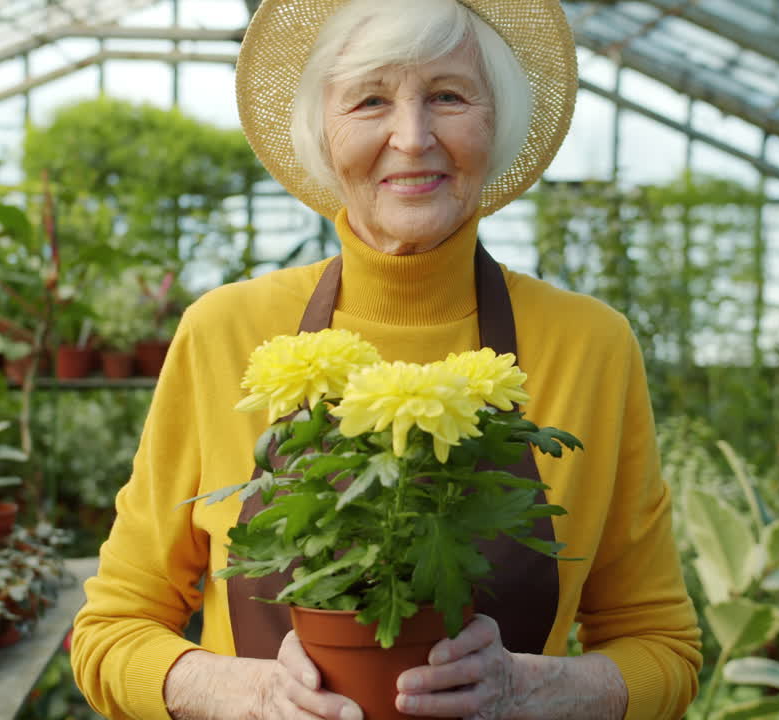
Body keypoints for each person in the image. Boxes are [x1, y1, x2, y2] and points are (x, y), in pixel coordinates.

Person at [70, 0, 702, 718]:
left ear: (496, 122)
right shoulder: (225, 332)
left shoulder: (590, 345)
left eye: (448, 96)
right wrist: (248, 695)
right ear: (322, 132)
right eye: (370, 100)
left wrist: (531, 689)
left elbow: (663, 647)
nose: (413, 137)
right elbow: (110, 631)